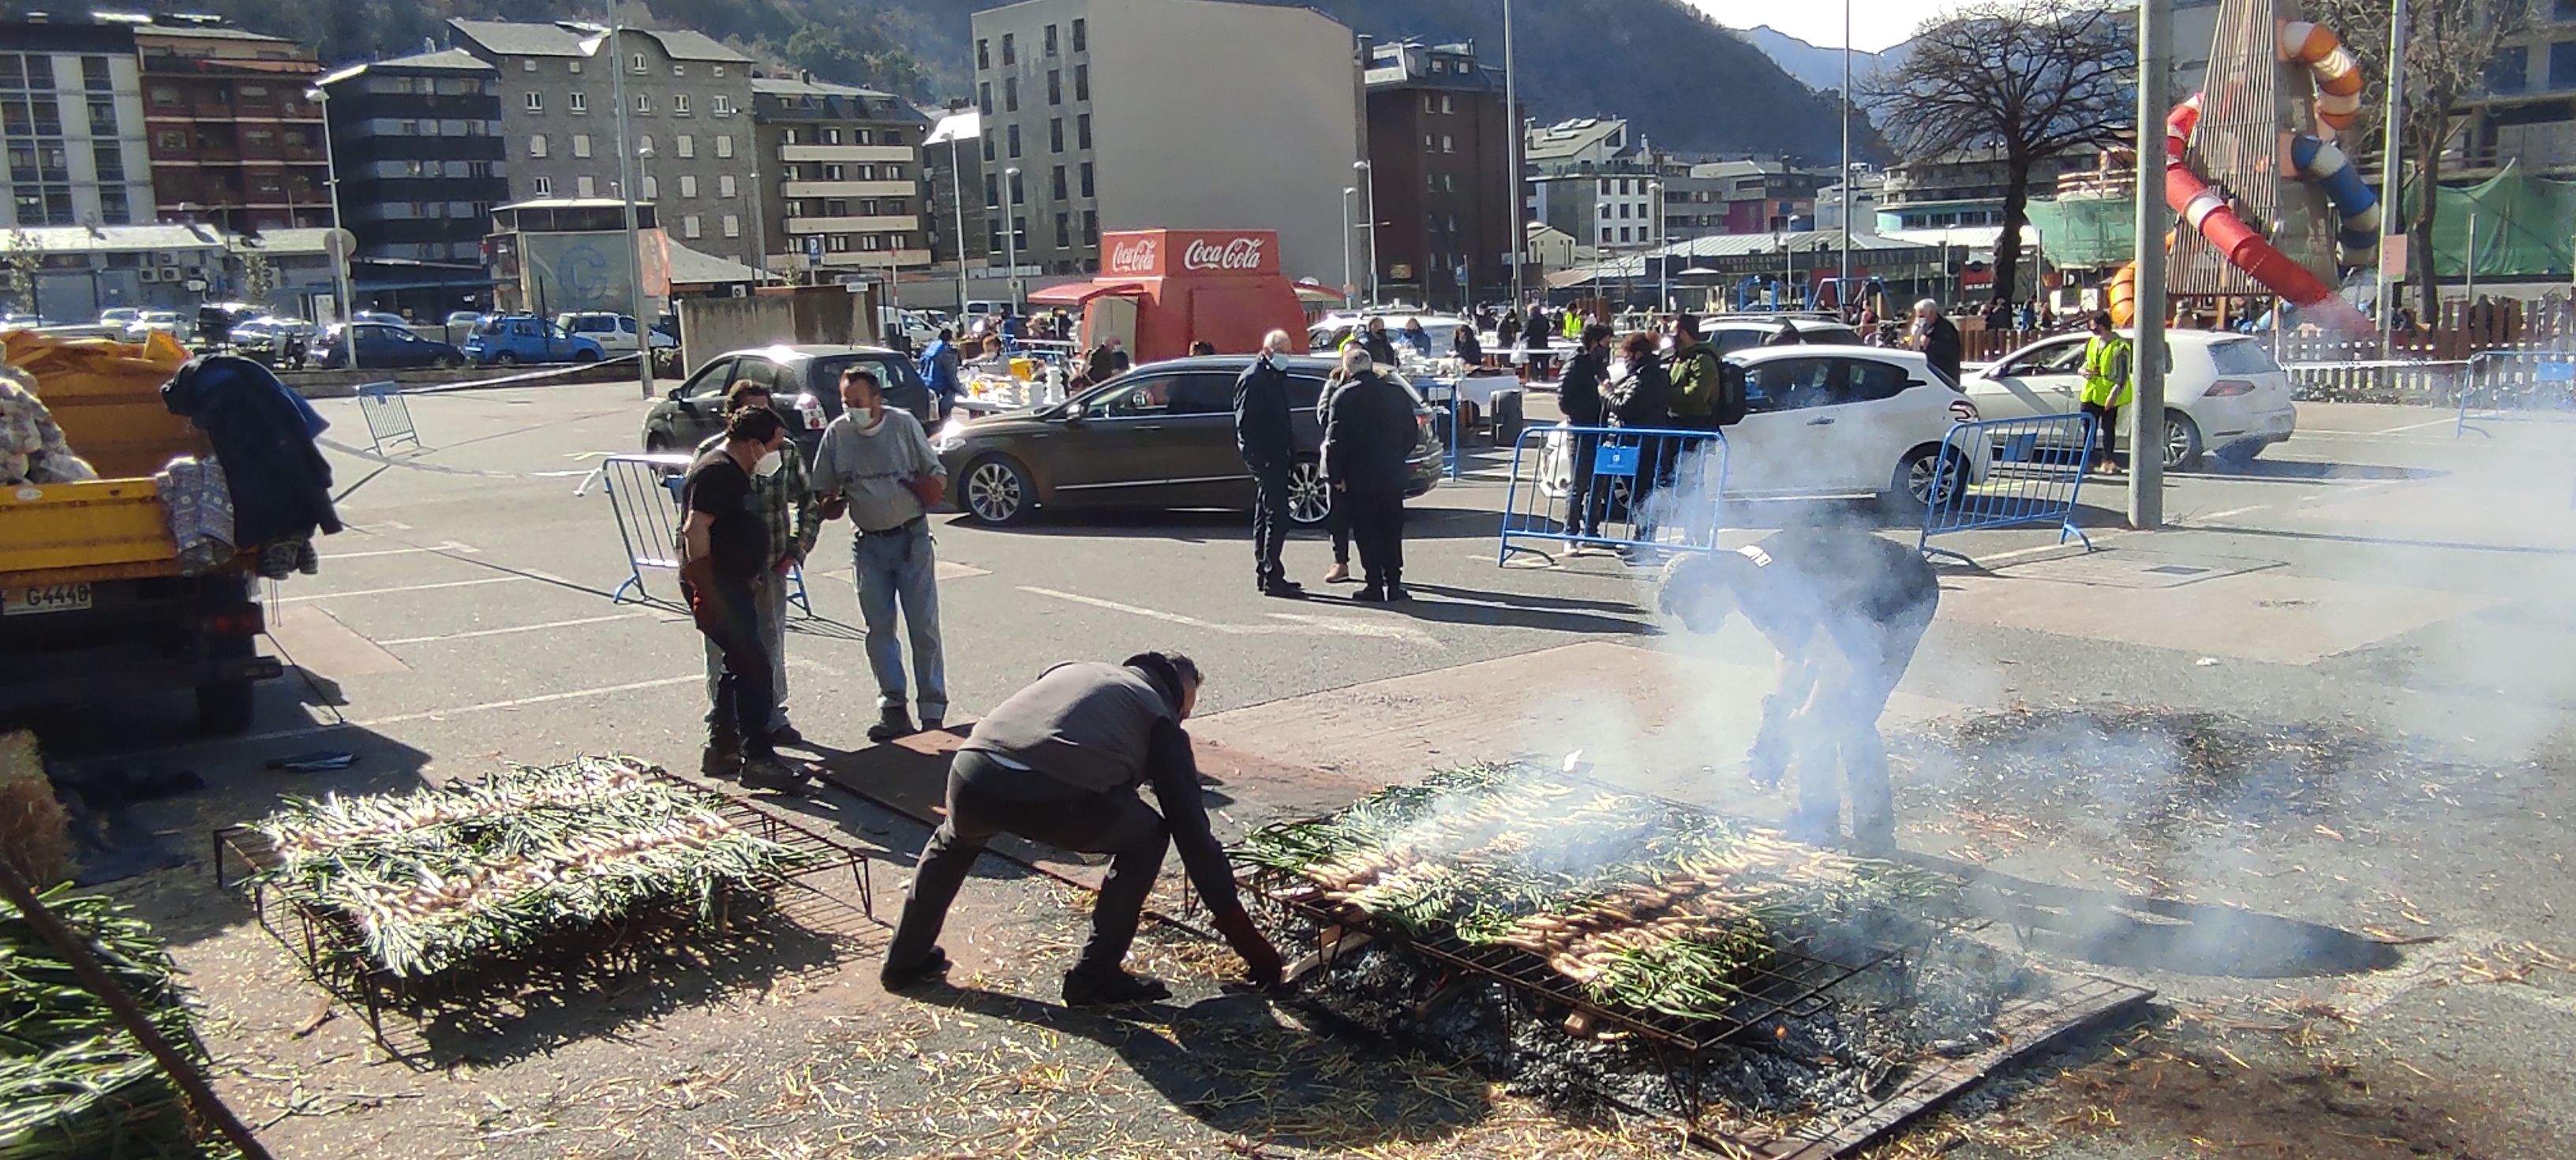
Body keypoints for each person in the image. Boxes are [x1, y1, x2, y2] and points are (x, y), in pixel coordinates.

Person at [881, 651, 1285, 1003]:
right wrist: (1253, 948)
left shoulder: (1076, 671)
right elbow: (1194, 838)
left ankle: (904, 961)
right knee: (1149, 837)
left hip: (972, 771)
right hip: (1046, 793)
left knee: (953, 841)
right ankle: (1095, 977)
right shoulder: (1159, 717)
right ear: (1176, 699)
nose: (1183, 721)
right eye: (1186, 713)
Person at [1655, 525, 1939, 854]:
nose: (1693, 626)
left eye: (1690, 615)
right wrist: (1775, 719)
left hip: (1903, 593)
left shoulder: (1768, 583)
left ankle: (1875, 835)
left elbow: (1836, 662)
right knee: (1814, 719)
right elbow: (1792, 651)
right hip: (1852, 611)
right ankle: (1818, 823)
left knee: (1851, 719)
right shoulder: (1741, 581)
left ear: (1704, 588)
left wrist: (1804, 716)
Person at [811, 368, 949, 741]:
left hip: (911, 539)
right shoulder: (838, 434)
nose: (852, 410)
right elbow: (822, 487)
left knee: (923, 626)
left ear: (877, 400)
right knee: (879, 629)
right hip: (869, 544)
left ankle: (933, 711)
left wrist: (928, 486)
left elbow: (936, 472)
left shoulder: (903, 426)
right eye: (846, 403)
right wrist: (830, 503)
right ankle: (893, 707)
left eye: (858, 402)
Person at [695, 380, 825, 763]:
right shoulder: (714, 463)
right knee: (730, 655)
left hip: (766, 568)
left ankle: (768, 721)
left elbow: (808, 504)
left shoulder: (782, 452)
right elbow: (692, 526)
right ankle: (729, 735)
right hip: (726, 579)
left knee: (766, 647)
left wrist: (795, 550)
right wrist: (703, 585)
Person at [680, 406, 804, 792]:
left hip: (733, 582)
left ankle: (722, 748)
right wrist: (705, 584)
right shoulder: (716, 472)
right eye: (774, 445)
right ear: (753, 445)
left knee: (738, 666)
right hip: (719, 585)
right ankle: (759, 758)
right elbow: (695, 528)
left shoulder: (735, 472)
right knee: (754, 668)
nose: (777, 453)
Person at [1322, 346, 1417, 601]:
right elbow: (1411, 434)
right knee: (1391, 529)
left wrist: (1336, 476)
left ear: (1348, 370)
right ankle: (1395, 584)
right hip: (1391, 473)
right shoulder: (1396, 394)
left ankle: (1374, 584)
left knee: (1367, 531)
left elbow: (1336, 442)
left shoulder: (1343, 397)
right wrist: (1397, 456)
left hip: (1360, 476)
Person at [1234, 330, 1303, 599]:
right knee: (1277, 516)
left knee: (1267, 514)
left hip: (1278, 455)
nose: (1288, 357)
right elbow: (1246, 425)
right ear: (1269, 350)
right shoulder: (1253, 379)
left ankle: (1268, 571)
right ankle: (1272, 573)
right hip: (1265, 458)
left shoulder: (1274, 376)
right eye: (1284, 352)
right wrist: (1258, 459)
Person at [1604, 331, 1673, 547]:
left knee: (1641, 494)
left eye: (1626, 356)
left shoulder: (1646, 378)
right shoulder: (1651, 374)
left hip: (1642, 443)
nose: (1625, 361)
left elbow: (1626, 408)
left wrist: (1606, 393)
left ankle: (1643, 541)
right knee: (1641, 493)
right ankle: (1642, 539)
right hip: (1644, 442)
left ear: (1638, 355)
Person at [1557, 323, 1613, 540]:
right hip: (1581, 429)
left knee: (1597, 482)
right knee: (1579, 482)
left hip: (1599, 428)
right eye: (1605, 343)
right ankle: (1571, 531)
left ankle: (1591, 530)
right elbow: (1564, 402)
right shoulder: (1574, 366)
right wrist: (1593, 404)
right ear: (1593, 342)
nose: (1607, 348)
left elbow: (1604, 388)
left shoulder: (1599, 365)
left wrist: (1607, 393)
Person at [2077, 311, 2133, 474]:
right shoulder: (2093, 342)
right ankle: (2087, 461)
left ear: (2104, 326)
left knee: (2108, 429)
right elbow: (2082, 364)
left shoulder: (2121, 347)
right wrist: (2084, 372)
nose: (2094, 333)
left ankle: (2107, 461)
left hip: (2109, 394)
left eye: (2095, 329)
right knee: (2089, 429)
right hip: (2091, 392)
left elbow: (2122, 377)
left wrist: (2113, 396)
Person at [918, 328, 964, 422]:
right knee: (944, 417)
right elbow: (950, 375)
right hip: (940, 387)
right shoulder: (946, 351)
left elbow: (921, 364)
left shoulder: (932, 346)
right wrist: (963, 391)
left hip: (926, 384)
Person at [1913, 299, 1963, 385]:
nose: (1920, 319)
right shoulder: (1924, 327)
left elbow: (1949, 351)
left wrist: (1929, 344)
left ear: (1932, 313)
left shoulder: (1945, 328)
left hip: (1944, 377)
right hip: (1927, 376)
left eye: (1922, 316)